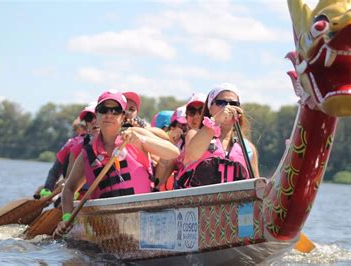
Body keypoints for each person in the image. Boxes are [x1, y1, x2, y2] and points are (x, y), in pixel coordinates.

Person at [54, 91, 179, 236]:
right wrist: (67, 217)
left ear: (123, 116)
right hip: (108, 230)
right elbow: (69, 188)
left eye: (115, 111)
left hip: (143, 222)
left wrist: (142, 141)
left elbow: (173, 153)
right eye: (104, 110)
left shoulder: (136, 136)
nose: (109, 115)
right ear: (97, 114)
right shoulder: (87, 154)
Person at [175, 83, 259, 188]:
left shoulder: (248, 149)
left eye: (234, 104)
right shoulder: (194, 134)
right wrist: (216, 121)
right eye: (221, 103)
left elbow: (256, 187)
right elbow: (193, 154)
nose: (228, 107)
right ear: (210, 108)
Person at [33, 115, 88, 198]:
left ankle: (46, 193)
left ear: (81, 127)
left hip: (75, 186)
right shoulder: (101, 142)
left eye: (75, 129)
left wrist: (48, 188)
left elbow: (55, 171)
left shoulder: (72, 142)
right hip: (86, 187)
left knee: (54, 176)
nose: (75, 132)